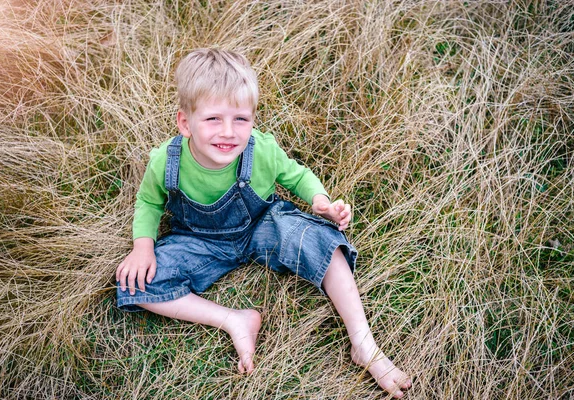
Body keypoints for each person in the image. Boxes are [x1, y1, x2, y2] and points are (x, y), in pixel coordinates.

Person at [115, 48, 411, 398]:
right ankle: (232, 319)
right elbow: (149, 201)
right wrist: (143, 246)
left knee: (324, 242)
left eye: (241, 119)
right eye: (213, 119)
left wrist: (321, 203)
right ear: (185, 123)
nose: (228, 133)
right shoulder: (168, 161)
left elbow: (298, 176)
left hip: (262, 226)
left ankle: (364, 344)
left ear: (253, 119)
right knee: (134, 283)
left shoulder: (262, 151)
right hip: (200, 239)